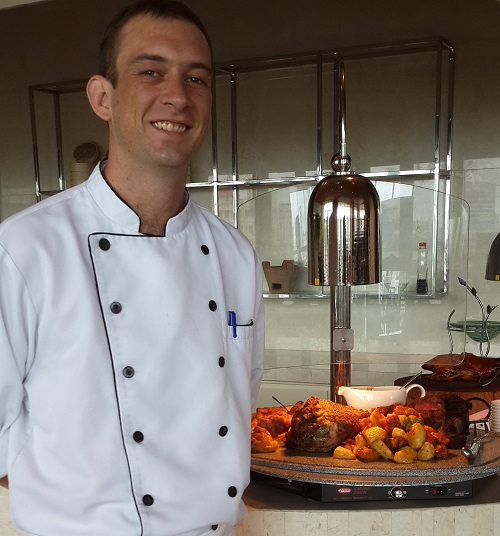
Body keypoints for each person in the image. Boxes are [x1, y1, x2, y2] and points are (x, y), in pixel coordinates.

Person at [0, 1, 264, 535]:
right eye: (151, 72)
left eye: (197, 78)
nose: (178, 96)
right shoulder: (26, 248)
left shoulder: (235, 255)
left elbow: (241, 400)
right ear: (103, 96)